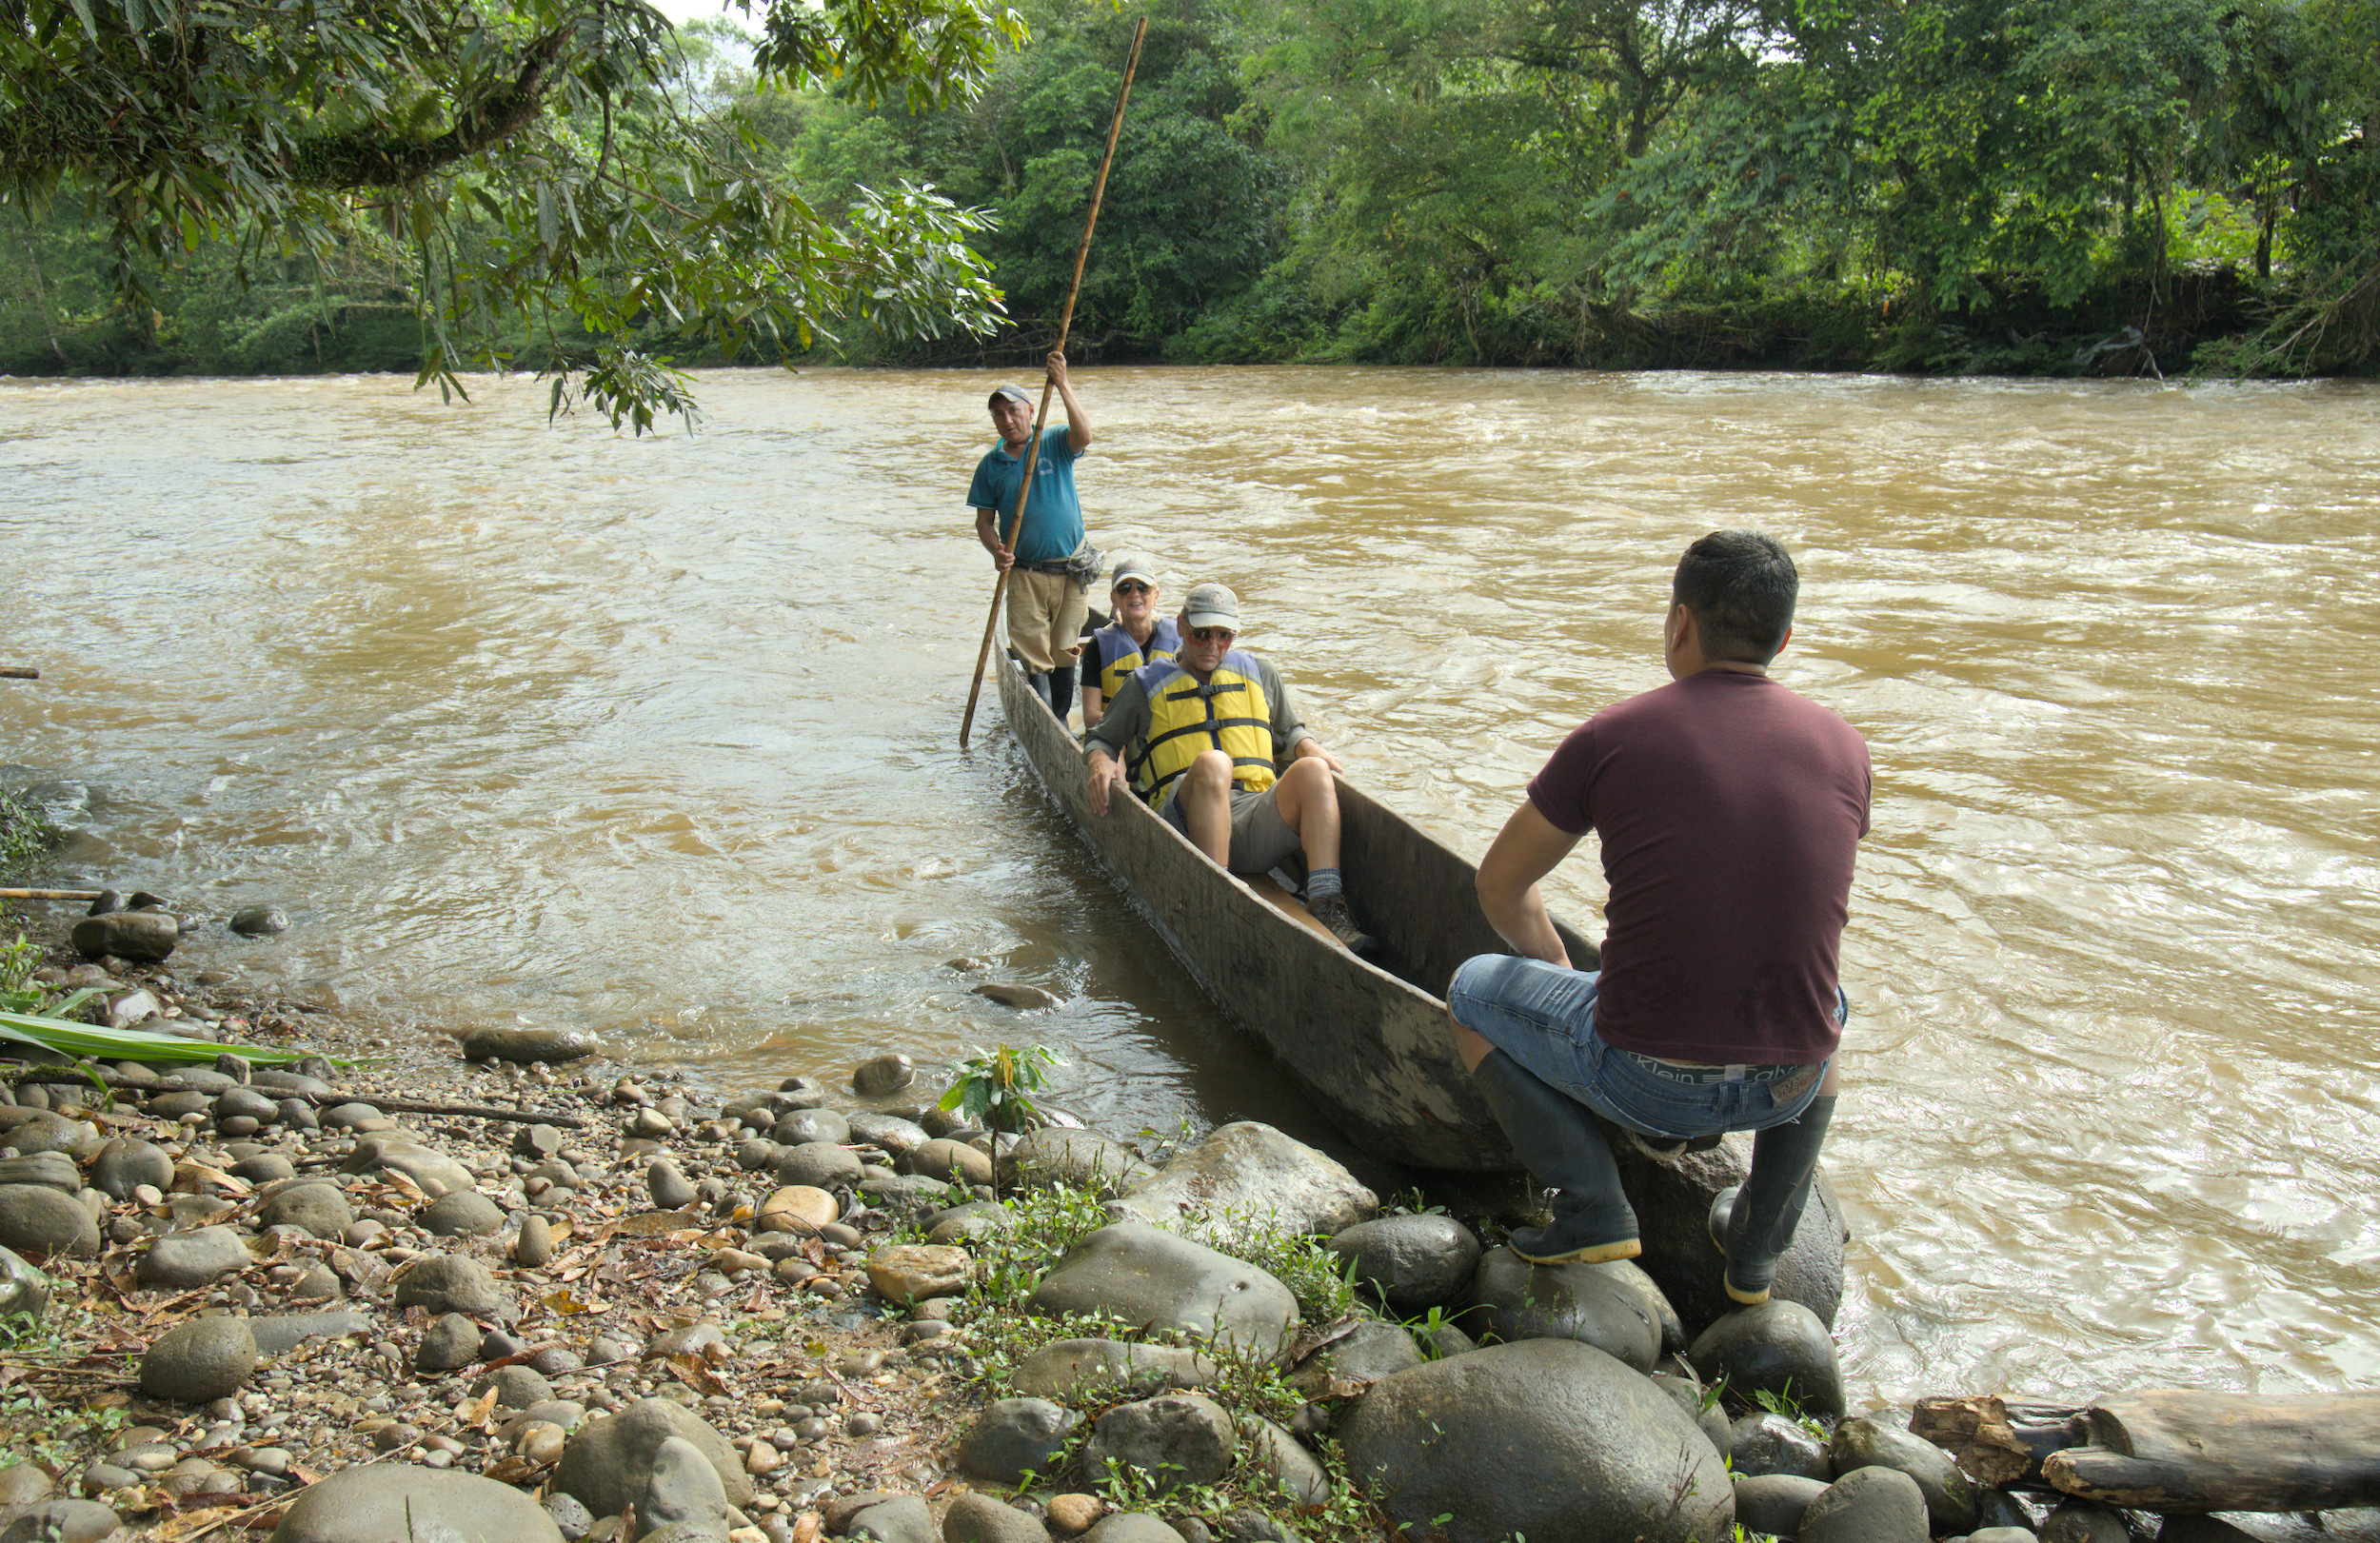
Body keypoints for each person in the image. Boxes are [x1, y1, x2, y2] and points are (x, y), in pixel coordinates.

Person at [1445, 530, 1871, 1306]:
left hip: (1644, 1080)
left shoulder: (1616, 734)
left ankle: (1591, 1207)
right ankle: (1755, 1253)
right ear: (1784, 637)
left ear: (1679, 623)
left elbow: (1499, 885)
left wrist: (1561, 976)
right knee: (1831, 1007)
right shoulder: (1845, 746)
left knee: (1471, 990)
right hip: (1789, 1081)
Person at [1083, 582, 1377, 956]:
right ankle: (1218, 897)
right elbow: (1101, 738)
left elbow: (1290, 731)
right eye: (1202, 633)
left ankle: (1326, 901)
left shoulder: (1261, 673)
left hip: (1252, 817)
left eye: (1223, 636)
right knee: (1213, 762)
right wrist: (1099, 763)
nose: (1212, 645)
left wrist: (1307, 746)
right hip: (1186, 822)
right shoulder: (1143, 685)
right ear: (1182, 626)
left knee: (1314, 770)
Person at [969, 352, 1097, 720]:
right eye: (999, 415)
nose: (1007, 420)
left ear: (1029, 411)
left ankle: (1057, 715)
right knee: (1034, 656)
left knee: (1065, 648)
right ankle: (1049, 723)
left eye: (1013, 411)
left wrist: (1063, 384)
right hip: (1024, 572)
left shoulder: (1054, 441)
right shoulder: (991, 465)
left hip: (1070, 569)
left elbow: (1084, 435)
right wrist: (997, 551)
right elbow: (983, 522)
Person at [1081, 552, 1179, 735]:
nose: (1135, 594)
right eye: (1125, 588)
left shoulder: (1179, 641)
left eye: (1143, 587)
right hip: (1120, 737)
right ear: (1113, 598)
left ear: (1155, 595)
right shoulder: (1097, 646)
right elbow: (1090, 716)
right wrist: (1135, 723)